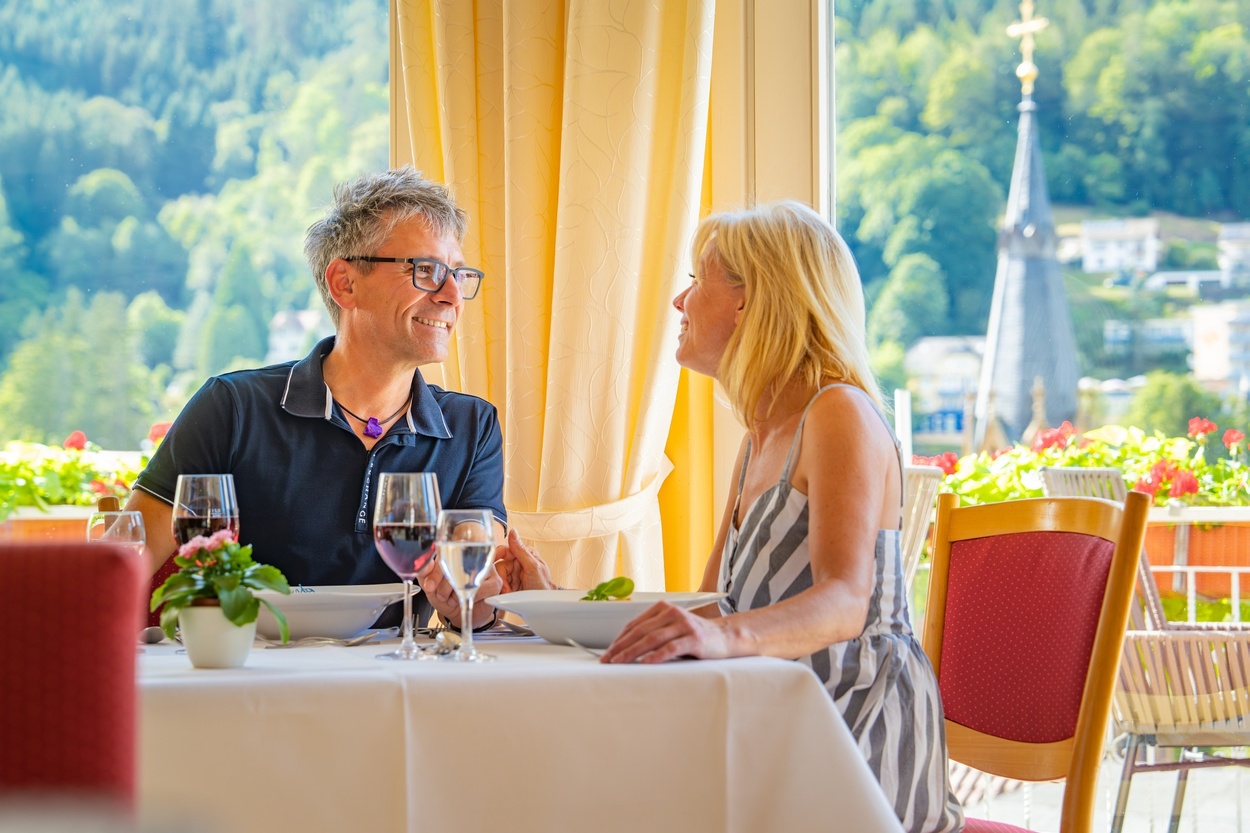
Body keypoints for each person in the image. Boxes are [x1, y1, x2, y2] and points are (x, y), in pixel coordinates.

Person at [499, 201, 963, 833]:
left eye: (697, 279)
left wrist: (719, 639)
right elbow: (711, 610)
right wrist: (558, 604)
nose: (680, 301)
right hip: (773, 711)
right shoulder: (761, 435)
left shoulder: (839, 413)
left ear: (749, 302)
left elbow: (845, 603)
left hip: (853, 725)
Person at [127, 166, 505, 631]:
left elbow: (478, 600)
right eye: (425, 270)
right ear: (344, 283)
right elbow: (122, 569)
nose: (452, 296)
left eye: (458, 274)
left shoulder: (472, 427)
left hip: (396, 672)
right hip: (249, 666)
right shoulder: (231, 408)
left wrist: (473, 602)